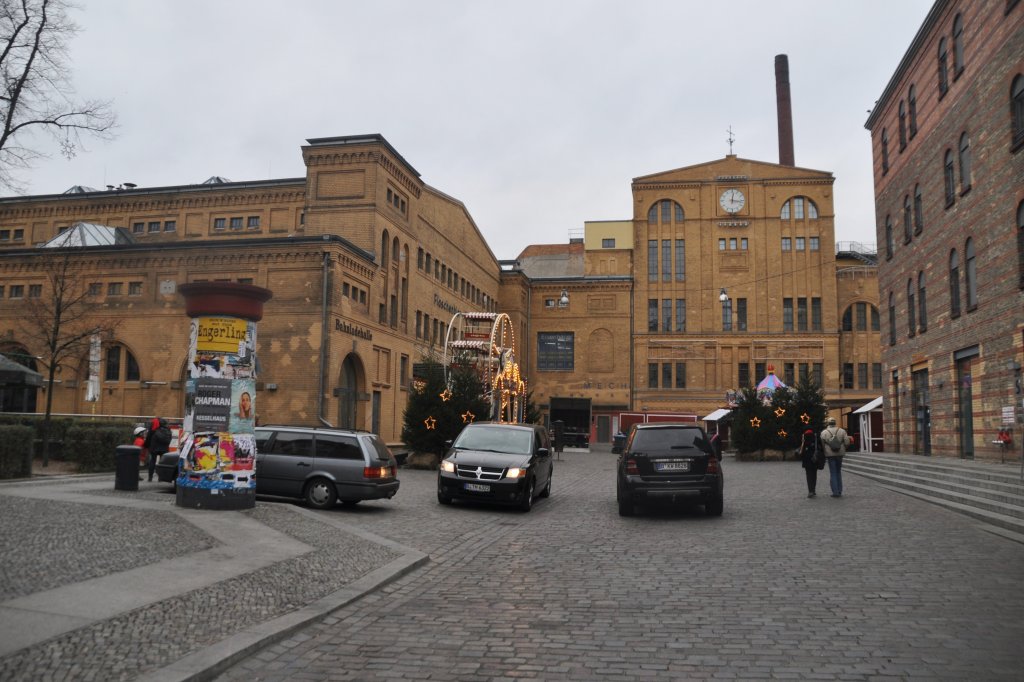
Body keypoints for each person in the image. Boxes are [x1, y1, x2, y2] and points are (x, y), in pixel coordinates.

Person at [820, 417, 850, 497]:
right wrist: (843, 448)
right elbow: (847, 442)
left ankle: (835, 492)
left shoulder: (824, 432)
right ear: (835, 423)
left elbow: (822, 444)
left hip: (830, 454)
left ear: (828, 423)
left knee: (833, 472)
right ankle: (840, 490)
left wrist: (825, 451)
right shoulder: (842, 431)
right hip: (840, 454)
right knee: (838, 472)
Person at [143, 417, 172, 482]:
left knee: (152, 461)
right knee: (162, 463)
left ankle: (150, 477)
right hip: (164, 448)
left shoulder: (154, 429)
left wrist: (146, 445)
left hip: (154, 448)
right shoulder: (168, 429)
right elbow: (170, 438)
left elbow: (148, 438)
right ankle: (161, 478)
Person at [798, 428, 824, 497]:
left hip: (806, 460)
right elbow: (821, 448)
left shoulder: (804, 440)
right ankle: (813, 490)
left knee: (809, 476)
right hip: (814, 459)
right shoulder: (816, 439)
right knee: (814, 475)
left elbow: (801, 451)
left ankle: (810, 491)